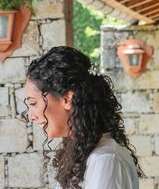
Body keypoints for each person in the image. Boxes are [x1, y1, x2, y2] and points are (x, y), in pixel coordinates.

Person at [23, 46, 143, 189]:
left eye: (33, 103)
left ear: (67, 99)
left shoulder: (104, 160)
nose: (31, 116)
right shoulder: (83, 154)